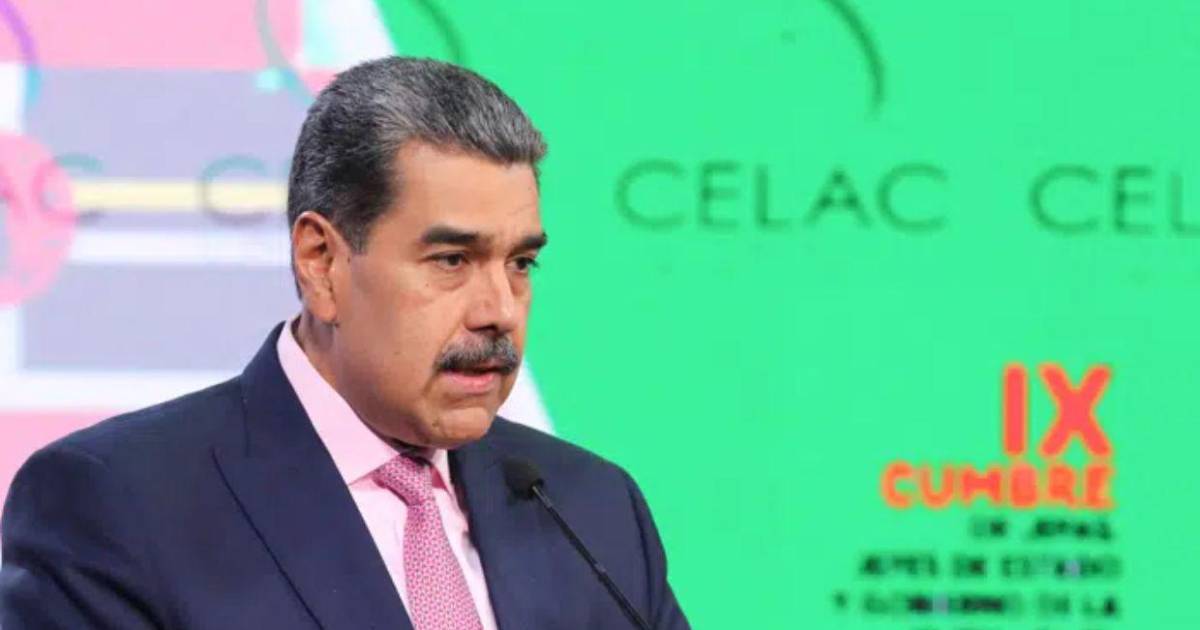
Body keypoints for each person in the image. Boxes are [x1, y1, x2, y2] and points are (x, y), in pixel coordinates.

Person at [0, 56, 689, 630]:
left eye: (520, 263)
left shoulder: (591, 508)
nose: (500, 311)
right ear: (321, 262)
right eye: (452, 260)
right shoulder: (118, 504)